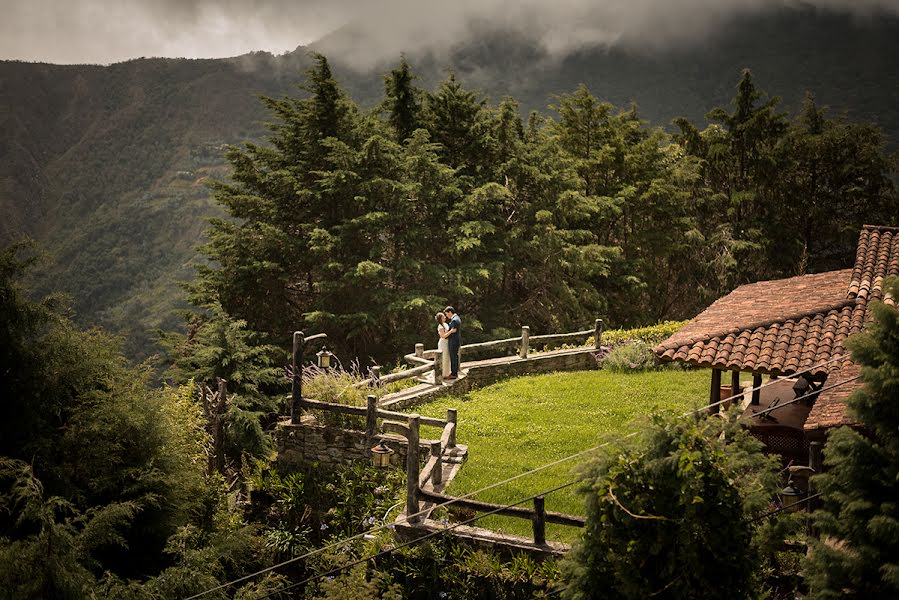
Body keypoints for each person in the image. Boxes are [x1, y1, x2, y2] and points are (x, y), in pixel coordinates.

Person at [444, 306, 461, 379]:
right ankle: (455, 372)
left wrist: (446, 335)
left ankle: (454, 373)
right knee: (455, 356)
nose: (446, 316)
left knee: (453, 357)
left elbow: (452, 331)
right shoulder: (457, 318)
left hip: (453, 341)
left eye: (447, 314)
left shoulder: (454, 320)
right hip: (456, 340)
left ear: (450, 312)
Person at [435, 312, 451, 379]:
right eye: (443, 316)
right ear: (440, 318)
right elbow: (443, 336)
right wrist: (451, 331)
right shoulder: (440, 327)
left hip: (447, 342)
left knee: (447, 357)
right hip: (443, 343)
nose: (445, 317)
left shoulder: (445, 324)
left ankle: (447, 373)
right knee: (444, 357)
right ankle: (444, 374)